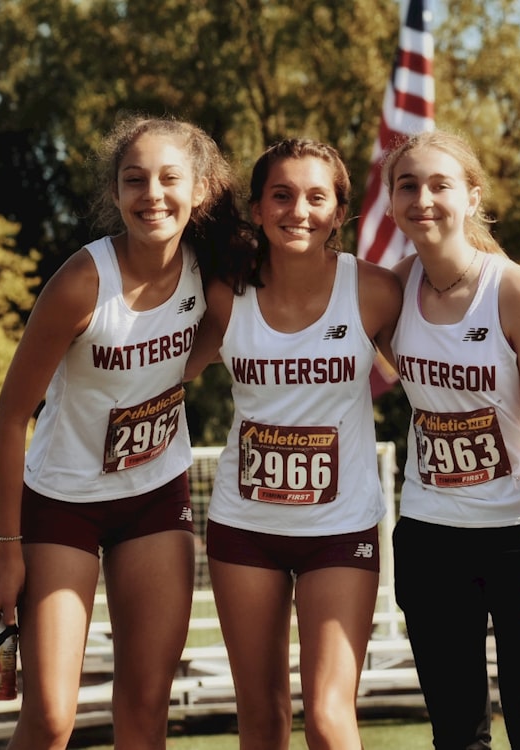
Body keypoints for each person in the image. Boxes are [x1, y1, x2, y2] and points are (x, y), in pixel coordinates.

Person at [0, 115, 251, 750]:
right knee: (49, 718)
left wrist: (181, 374)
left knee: (147, 707)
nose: (152, 194)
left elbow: (217, 345)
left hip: (155, 499)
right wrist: (6, 549)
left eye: (169, 179)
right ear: (117, 192)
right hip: (61, 506)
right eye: (135, 180)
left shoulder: (206, 272)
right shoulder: (81, 282)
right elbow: (10, 418)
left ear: (201, 189)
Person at [184, 138, 401, 750]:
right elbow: (165, 372)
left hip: (340, 529)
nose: (297, 210)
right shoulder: (226, 294)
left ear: (339, 211)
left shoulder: (375, 292)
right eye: (281, 195)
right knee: (262, 717)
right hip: (243, 528)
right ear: (257, 208)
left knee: (330, 720)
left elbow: (437, 377)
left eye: (315, 197)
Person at [378, 130, 520, 749]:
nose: (423, 198)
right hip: (430, 538)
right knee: (457, 734)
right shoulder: (393, 288)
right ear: (390, 202)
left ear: (471, 197)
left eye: (440, 184)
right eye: (407, 185)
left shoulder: (514, 290)